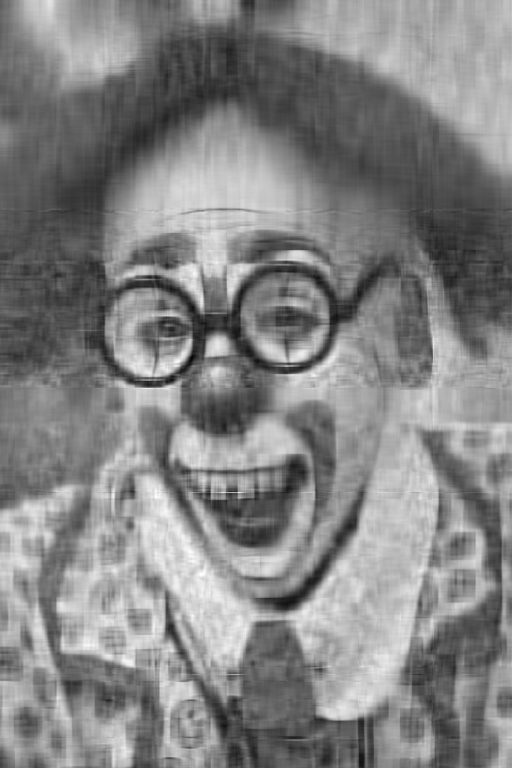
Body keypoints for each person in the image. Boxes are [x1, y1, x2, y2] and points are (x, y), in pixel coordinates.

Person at [0, 25, 510, 768]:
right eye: (163, 327)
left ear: (405, 331)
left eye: (288, 316)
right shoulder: (18, 604)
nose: (216, 393)